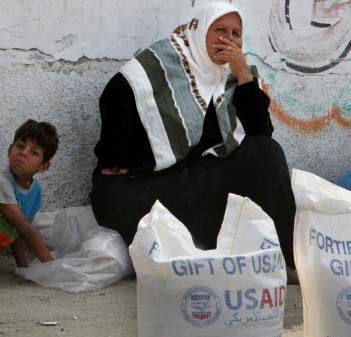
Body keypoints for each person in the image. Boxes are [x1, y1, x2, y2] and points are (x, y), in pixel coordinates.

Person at [91, 2, 298, 283]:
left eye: (236, 33)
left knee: (265, 154)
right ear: (200, 31)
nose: (228, 39)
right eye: (220, 30)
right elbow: (118, 92)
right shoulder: (162, 65)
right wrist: (119, 161)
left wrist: (244, 74)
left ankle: (283, 260)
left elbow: (261, 134)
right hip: (143, 187)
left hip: (195, 183)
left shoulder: (234, 77)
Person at [0, 119, 58, 268]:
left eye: (34, 152)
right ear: (9, 150)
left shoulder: (35, 191)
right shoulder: (3, 181)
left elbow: (18, 231)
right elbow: (26, 230)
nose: (23, 153)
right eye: (20, 146)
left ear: (43, 166)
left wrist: (22, 267)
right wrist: (53, 269)